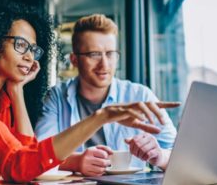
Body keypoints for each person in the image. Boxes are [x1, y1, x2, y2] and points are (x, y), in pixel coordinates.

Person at [0, 0, 179, 185]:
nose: (29, 56)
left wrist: (17, 89)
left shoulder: (3, 100)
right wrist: (101, 117)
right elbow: (19, 165)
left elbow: (26, 154)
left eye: (33, 49)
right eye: (20, 45)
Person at [35, 14, 178, 176]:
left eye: (110, 53)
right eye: (94, 54)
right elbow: (37, 155)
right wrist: (76, 162)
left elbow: (180, 154)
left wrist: (160, 156)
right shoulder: (57, 96)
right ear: (74, 60)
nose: (104, 64)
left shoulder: (140, 95)